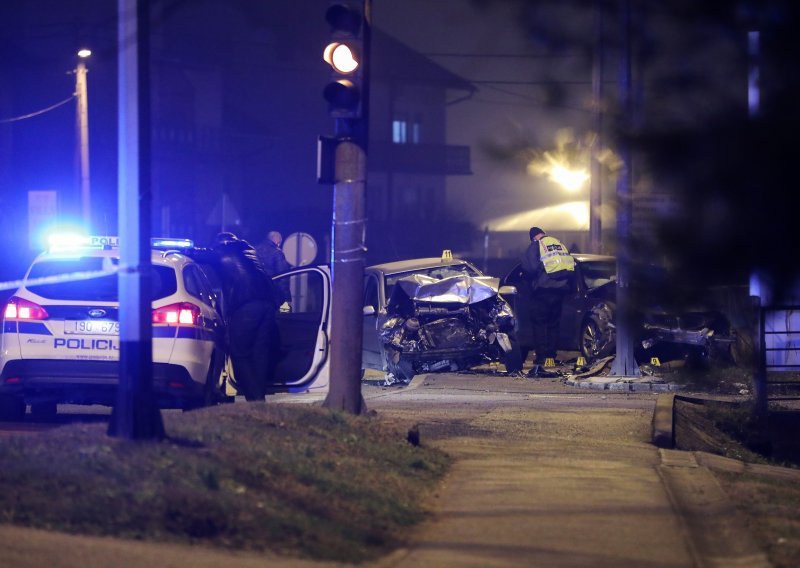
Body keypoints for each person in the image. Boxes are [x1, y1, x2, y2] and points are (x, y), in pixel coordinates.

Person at [189, 232, 279, 401]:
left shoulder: (222, 251)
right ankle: (259, 400)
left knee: (239, 354)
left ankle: (254, 399)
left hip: (245, 305)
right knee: (260, 354)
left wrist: (179, 248)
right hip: (267, 304)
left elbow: (198, 254)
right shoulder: (249, 251)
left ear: (220, 244)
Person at [520, 226, 576, 377]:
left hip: (543, 290)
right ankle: (552, 355)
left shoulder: (536, 245)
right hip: (560, 290)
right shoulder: (558, 244)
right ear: (543, 234)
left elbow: (529, 268)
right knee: (553, 323)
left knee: (539, 324)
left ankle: (541, 356)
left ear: (533, 237)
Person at [256, 230, 292, 312]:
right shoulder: (277, 253)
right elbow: (283, 278)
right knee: (280, 319)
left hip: (257, 295)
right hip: (274, 295)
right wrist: (286, 300)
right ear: (277, 241)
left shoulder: (255, 250)